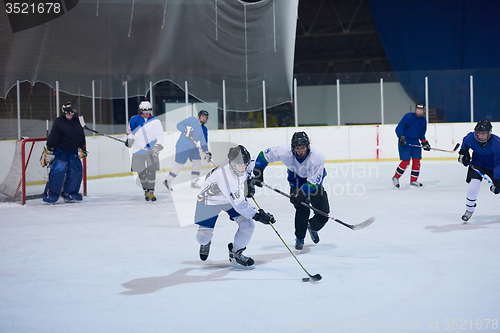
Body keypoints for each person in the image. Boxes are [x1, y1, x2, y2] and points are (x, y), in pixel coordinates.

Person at [195, 145, 275, 268]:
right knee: (203, 237)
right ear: (231, 163)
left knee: (248, 225)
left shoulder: (247, 161)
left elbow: (254, 163)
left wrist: (253, 177)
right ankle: (206, 242)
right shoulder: (226, 177)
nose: (242, 168)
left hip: (229, 199)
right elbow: (239, 204)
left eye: (245, 165)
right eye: (239, 166)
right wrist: (257, 215)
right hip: (210, 199)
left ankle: (235, 253)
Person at [252, 131, 329, 250]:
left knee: (323, 214)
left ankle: (312, 226)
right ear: (292, 148)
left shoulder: (317, 158)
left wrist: (301, 193)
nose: (300, 151)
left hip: (313, 184)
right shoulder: (285, 151)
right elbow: (264, 155)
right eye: (297, 148)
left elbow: (314, 182)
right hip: (296, 181)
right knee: (302, 208)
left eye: (303, 148)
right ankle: (300, 238)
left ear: (308, 146)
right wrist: (258, 171)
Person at [42, 101, 87, 204]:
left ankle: (71, 193)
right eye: (73, 108)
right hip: (60, 151)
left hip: (73, 151)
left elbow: (81, 135)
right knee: (58, 171)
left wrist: (82, 147)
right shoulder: (59, 122)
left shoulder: (77, 121)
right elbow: (53, 137)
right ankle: (51, 194)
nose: (75, 110)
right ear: (68, 110)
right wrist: (50, 148)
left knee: (76, 171)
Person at [457, 120, 500, 222]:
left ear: (489, 133)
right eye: (479, 133)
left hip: (494, 167)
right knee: (474, 184)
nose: (480, 136)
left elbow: (499, 163)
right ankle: (469, 209)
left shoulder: (497, 144)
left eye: (483, 133)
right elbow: (465, 144)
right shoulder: (471, 137)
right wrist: (464, 153)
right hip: (477, 164)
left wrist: (498, 180)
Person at [125, 101, 164, 202]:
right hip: (138, 150)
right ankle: (145, 189)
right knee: (141, 172)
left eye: (148, 110)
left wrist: (157, 147)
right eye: (144, 110)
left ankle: (151, 192)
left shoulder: (155, 121)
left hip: (151, 150)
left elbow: (160, 136)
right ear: (141, 110)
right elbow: (130, 132)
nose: (147, 112)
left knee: (152, 171)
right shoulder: (134, 119)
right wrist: (130, 140)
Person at [163, 110, 212, 190]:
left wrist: (206, 152)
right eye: (202, 116)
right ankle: (167, 181)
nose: (204, 118)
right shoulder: (192, 120)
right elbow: (178, 125)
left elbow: (203, 142)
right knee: (180, 165)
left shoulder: (204, 129)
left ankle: (194, 182)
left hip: (192, 147)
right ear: (199, 116)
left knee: (198, 162)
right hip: (183, 145)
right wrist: (185, 130)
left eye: (205, 117)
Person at [392, 103, 431, 188]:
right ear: (415, 109)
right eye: (418, 109)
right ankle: (395, 177)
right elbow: (399, 128)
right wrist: (401, 137)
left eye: (421, 110)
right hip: (405, 141)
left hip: (415, 142)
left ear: (423, 111)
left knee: (417, 161)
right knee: (406, 161)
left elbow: (422, 134)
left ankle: (413, 180)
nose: (419, 111)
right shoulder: (408, 116)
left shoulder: (423, 120)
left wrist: (424, 142)